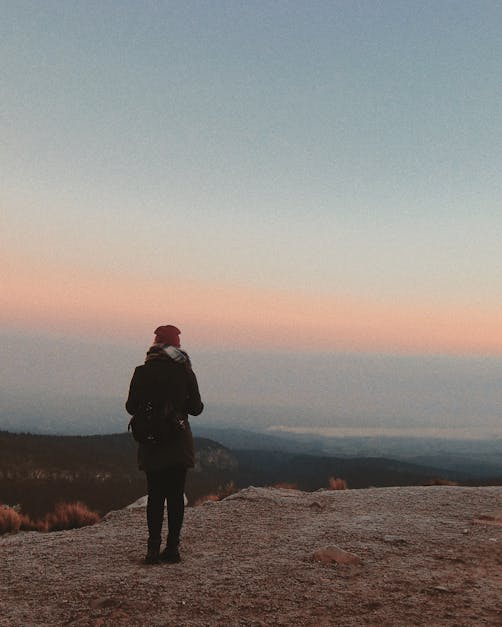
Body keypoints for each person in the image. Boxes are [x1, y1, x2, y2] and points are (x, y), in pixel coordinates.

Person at [126, 324, 204, 564]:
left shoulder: (142, 371)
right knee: (175, 495)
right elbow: (197, 408)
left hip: (151, 443)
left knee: (155, 495)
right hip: (177, 441)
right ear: (175, 346)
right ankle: (172, 549)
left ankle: (152, 549)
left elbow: (130, 406)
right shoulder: (184, 372)